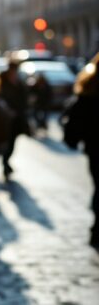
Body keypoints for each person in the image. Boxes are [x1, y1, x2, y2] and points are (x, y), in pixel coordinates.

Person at [62, 53, 99, 249]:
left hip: (95, 147)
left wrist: (72, 139)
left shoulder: (89, 88)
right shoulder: (89, 90)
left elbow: (75, 119)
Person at [0, 61, 30, 180]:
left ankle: (6, 162)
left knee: (12, 143)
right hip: (4, 120)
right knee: (4, 143)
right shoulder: (2, 82)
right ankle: (5, 162)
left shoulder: (20, 83)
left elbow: (24, 99)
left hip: (16, 119)